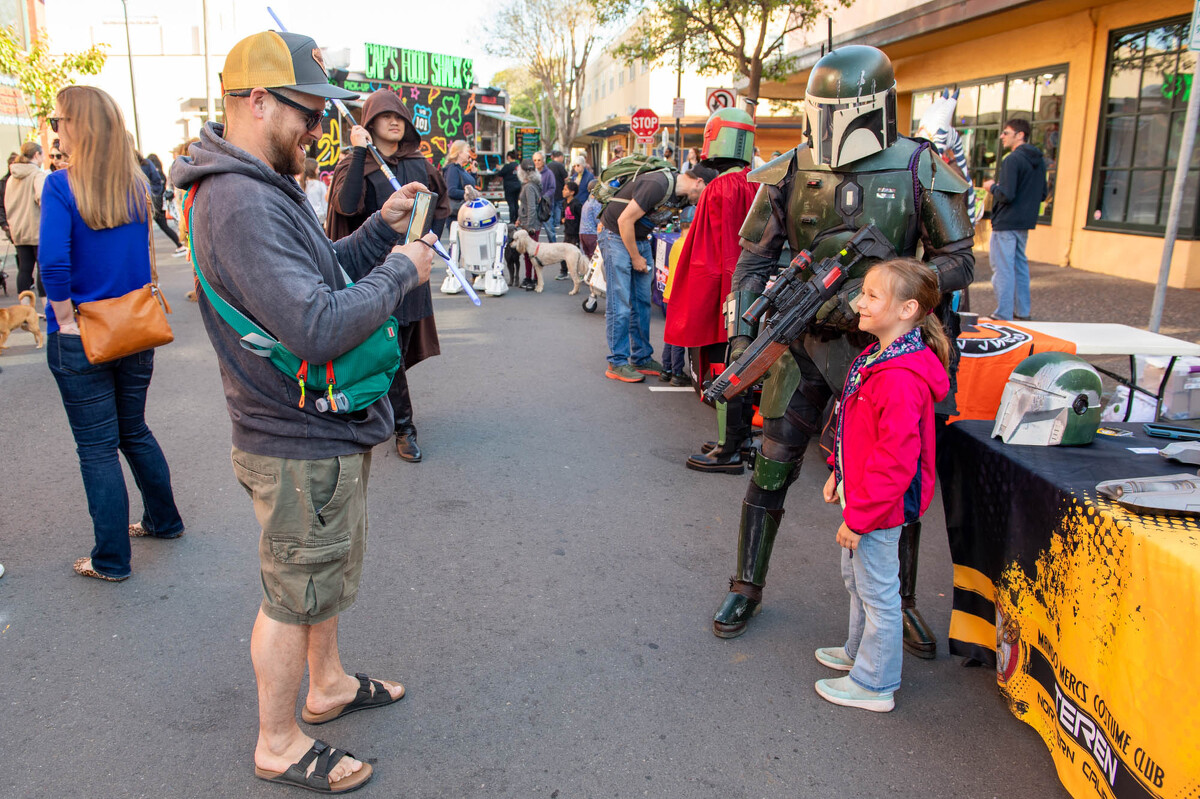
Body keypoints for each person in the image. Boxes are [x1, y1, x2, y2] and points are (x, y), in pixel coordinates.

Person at [172, 31, 435, 793]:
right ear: (257, 102)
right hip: (294, 433)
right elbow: (317, 323)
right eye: (306, 112)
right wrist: (398, 271)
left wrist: (377, 232)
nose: (318, 130)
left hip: (309, 425)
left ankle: (327, 685)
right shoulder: (241, 198)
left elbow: (316, 277)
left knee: (317, 576)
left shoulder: (257, 186)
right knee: (293, 592)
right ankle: (278, 740)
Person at [710, 46, 974, 661]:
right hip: (804, 345)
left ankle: (898, 601)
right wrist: (743, 338)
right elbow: (752, 260)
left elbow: (958, 260)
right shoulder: (789, 169)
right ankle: (746, 585)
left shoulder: (918, 167)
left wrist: (874, 292)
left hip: (890, 352)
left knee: (895, 477)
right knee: (771, 466)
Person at [41, 85, 185, 582]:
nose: (54, 127)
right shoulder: (135, 188)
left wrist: (62, 321)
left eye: (58, 119)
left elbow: (54, 263)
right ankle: (163, 520)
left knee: (97, 447)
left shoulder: (61, 187)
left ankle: (110, 560)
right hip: (136, 325)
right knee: (134, 430)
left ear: (77, 126)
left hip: (84, 332)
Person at [815, 258, 949, 712]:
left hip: (879, 507)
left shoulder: (898, 376)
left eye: (872, 295)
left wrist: (861, 518)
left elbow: (895, 460)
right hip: (867, 499)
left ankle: (875, 683)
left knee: (877, 592)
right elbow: (859, 431)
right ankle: (858, 654)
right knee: (859, 582)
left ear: (908, 309)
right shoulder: (880, 357)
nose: (859, 302)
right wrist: (839, 470)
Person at [328, 90, 446, 463]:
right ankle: (403, 426)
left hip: (411, 272)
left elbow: (441, 204)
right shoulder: (356, 163)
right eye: (385, 116)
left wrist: (428, 239)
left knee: (393, 353)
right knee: (382, 349)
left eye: (400, 116)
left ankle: (383, 416)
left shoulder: (419, 164)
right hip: (371, 274)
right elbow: (346, 206)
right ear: (369, 122)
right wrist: (360, 152)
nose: (395, 122)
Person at [664, 108, 759, 473]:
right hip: (752, 287)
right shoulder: (759, 181)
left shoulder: (720, 187)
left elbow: (709, 253)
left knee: (724, 364)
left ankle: (728, 448)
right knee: (744, 362)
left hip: (726, 289)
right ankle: (738, 440)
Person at [597, 161, 716, 383]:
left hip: (638, 238)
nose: (704, 198)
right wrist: (635, 257)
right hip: (615, 235)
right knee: (620, 303)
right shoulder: (658, 184)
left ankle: (641, 357)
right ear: (699, 182)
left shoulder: (681, 197)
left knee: (642, 303)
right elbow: (624, 221)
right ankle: (617, 362)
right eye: (707, 191)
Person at [982, 117, 1047, 321]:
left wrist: (991, 186)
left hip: (1006, 222)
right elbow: (1043, 193)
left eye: (1006, 133)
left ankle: (1003, 313)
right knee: (1019, 266)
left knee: (1003, 268)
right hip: (1024, 222)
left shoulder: (1012, 160)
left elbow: (1006, 194)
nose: (1002, 136)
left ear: (1020, 135)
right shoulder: (1039, 160)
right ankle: (1023, 311)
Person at [5, 141, 46, 299]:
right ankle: (46, 307)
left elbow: (7, 203)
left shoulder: (11, 178)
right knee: (42, 269)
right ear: (36, 155)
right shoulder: (37, 175)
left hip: (19, 231)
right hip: (36, 229)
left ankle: (25, 310)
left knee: (24, 269)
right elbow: (43, 198)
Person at [136, 145, 186, 255]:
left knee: (158, 225)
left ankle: (181, 244)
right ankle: (181, 244)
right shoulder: (150, 167)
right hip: (156, 200)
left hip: (152, 201)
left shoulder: (143, 167)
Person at [515, 159, 542, 290]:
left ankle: (531, 279)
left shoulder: (529, 187)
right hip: (529, 223)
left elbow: (531, 207)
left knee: (530, 253)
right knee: (531, 253)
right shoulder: (534, 184)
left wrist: (529, 226)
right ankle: (533, 278)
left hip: (530, 225)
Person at [444, 139, 477, 219]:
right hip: (457, 215)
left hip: (464, 212)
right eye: (466, 151)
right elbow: (451, 191)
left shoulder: (460, 169)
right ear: (459, 153)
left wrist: (473, 173)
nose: (468, 154)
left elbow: (468, 185)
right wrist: (468, 194)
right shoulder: (453, 169)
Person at [532, 151, 556, 243]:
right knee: (534, 232)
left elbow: (552, 188)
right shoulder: (531, 173)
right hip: (533, 207)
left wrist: (543, 197)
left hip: (545, 208)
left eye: (539, 160)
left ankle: (555, 251)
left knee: (550, 232)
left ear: (543, 161)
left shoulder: (549, 173)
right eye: (534, 160)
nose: (537, 162)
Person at [497, 149, 522, 222]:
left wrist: (499, 168)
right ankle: (517, 219)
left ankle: (512, 220)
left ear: (508, 157)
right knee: (516, 203)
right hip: (518, 186)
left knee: (511, 204)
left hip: (509, 187)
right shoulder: (518, 166)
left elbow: (500, 174)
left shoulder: (507, 166)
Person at [578, 191, 600, 260]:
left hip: (582, 232)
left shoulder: (587, 202)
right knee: (594, 258)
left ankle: (586, 270)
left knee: (587, 257)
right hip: (592, 233)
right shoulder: (596, 203)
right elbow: (598, 220)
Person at [0, 151, 17, 241]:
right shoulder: (3, 183)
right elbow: (1, 204)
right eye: (11, 164)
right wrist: (4, 224)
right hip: (10, 224)